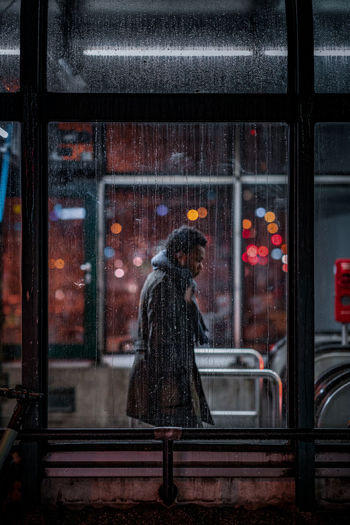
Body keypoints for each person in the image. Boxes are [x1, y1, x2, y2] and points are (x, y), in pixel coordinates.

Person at [127, 226, 214, 428]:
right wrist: (177, 388)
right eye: (197, 259)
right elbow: (160, 342)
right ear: (181, 256)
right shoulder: (164, 284)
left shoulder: (175, 282)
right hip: (167, 389)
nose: (201, 266)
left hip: (171, 385)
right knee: (178, 446)